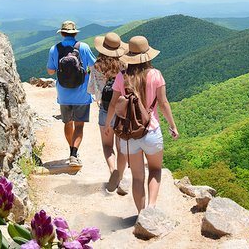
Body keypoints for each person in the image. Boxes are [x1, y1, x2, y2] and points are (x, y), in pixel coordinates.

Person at [104, 35, 179, 213]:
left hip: (129, 135)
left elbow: (114, 104)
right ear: (147, 55)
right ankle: (151, 208)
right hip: (151, 131)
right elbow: (163, 103)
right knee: (155, 170)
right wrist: (172, 126)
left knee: (137, 177)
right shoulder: (155, 75)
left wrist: (108, 125)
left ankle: (140, 214)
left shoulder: (122, 77)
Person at [47, 20, 96, 167]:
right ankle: (74, 154)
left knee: (67, 123)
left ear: (62, 33)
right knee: (79, 125)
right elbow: (93, 66)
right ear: (75, 33)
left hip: (63, 94)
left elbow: (50, 71)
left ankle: (71, 150)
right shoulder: (84, 47)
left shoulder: (54, 49)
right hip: (82, 93)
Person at [87, 32, 128, 192]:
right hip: (122, 110)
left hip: (105, 108)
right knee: (121, 146)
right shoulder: (124, 66)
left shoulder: (96, 67)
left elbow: (91, 90)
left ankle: (112, 171)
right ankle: (121, 178)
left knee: (107, 145)